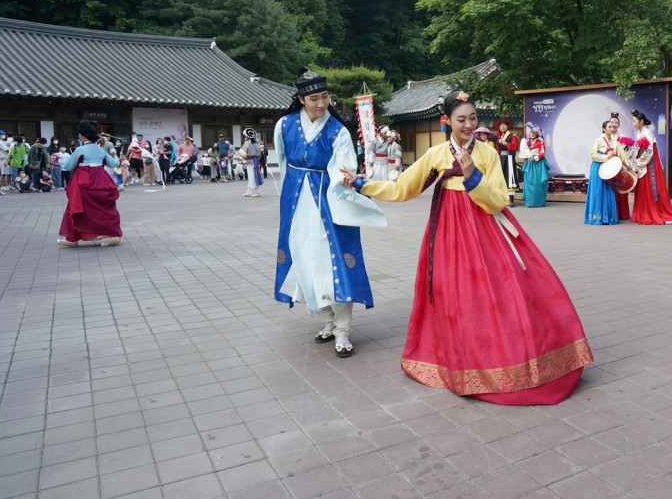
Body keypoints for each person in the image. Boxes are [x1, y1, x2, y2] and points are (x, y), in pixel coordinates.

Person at [343, 90, 593, 405]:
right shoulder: (436, 155)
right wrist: (362, 184)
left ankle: (502, 358)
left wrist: (473, 176)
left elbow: (500, 200)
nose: (468, 125)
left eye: (473, 118)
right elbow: (404, 189)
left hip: (484, 230)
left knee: (496, 292)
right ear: (446, 121)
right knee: (452, 293)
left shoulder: (487, 153)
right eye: (462, 119)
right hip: (448, 232)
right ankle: (458, 359)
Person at [274, 68, 387, 358]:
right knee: (303, 257)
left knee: (333, 259)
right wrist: (290, 195)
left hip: (328, 200)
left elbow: (343, 166)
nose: (322, 103)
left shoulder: (337, 130)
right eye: (314, 98)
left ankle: (343, 330)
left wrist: (338, 184)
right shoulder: (284, 125)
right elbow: (283, 163)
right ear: (301, 99)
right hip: (296, 201)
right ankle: (327, 319)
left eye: (325, 97)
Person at [57, 120, 122, 248]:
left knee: (76, 209)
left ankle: (73, 238)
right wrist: (118, 159)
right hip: (101, 180)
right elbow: (113, 163)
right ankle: (111, 234)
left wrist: (61, 161)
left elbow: (69, 166)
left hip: (83, 181)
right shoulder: (100, 149)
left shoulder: (79, 150)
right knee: (104, 209)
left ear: (81, 135)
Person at [630, 109, 672, 225]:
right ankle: (643, 213)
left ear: (641, 121)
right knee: (643, 189)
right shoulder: (639, 133)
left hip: (650, 165)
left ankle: (666, 214)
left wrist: (639, 163)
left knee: (656, 188)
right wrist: (634, 160)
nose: (633, 123)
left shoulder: (648, 134)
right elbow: (638, 150)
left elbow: (649, 152)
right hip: (642, 163)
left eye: (634, 121)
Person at [584, 119, 621, 226]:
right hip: (598, 167)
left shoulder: (615, 142)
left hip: (609, 169)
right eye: (609, 127)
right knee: (598, 190)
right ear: (603, 129)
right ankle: (597, 217)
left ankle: (608, 217)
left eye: (613, 127)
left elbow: (622, 156)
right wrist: (606, 156)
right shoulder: (599, 140)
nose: (612, 128)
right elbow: (593, 155)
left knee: (608, 190)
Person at [521, 123, 549, 208]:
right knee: (528, 182)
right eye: (531, 132)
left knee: (538, 183)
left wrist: (535, 158)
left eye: (534, 133)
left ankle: (538, 202)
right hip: (529, 164)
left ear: (537, 134)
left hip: (538, 164)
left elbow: (543, 153)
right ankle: (529, 202)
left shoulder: (540, 142)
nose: (532, 134)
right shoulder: (527, 143)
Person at [493, 118, 519, 205]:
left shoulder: (513, 136)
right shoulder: (498, 137)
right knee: (501, 177)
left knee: (510, 177)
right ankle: (502, 198)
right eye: (501, 125)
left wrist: (505, 143)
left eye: (504, 125)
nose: (502, 127)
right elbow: (497, 150)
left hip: (509, 158)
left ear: (507, 127)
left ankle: (511, 200)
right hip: (501, 159)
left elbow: (514, 147)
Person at [241, 128, 263, 197]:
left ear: (247, 136)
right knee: (256, 175)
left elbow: (242, 154)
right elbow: (260, 154)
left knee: (251, 176)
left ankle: (252, 191)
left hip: (249, 161)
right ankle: (253, 191)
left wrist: (243, 160)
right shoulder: (257, 143)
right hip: (256, 161)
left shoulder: (247, 143)